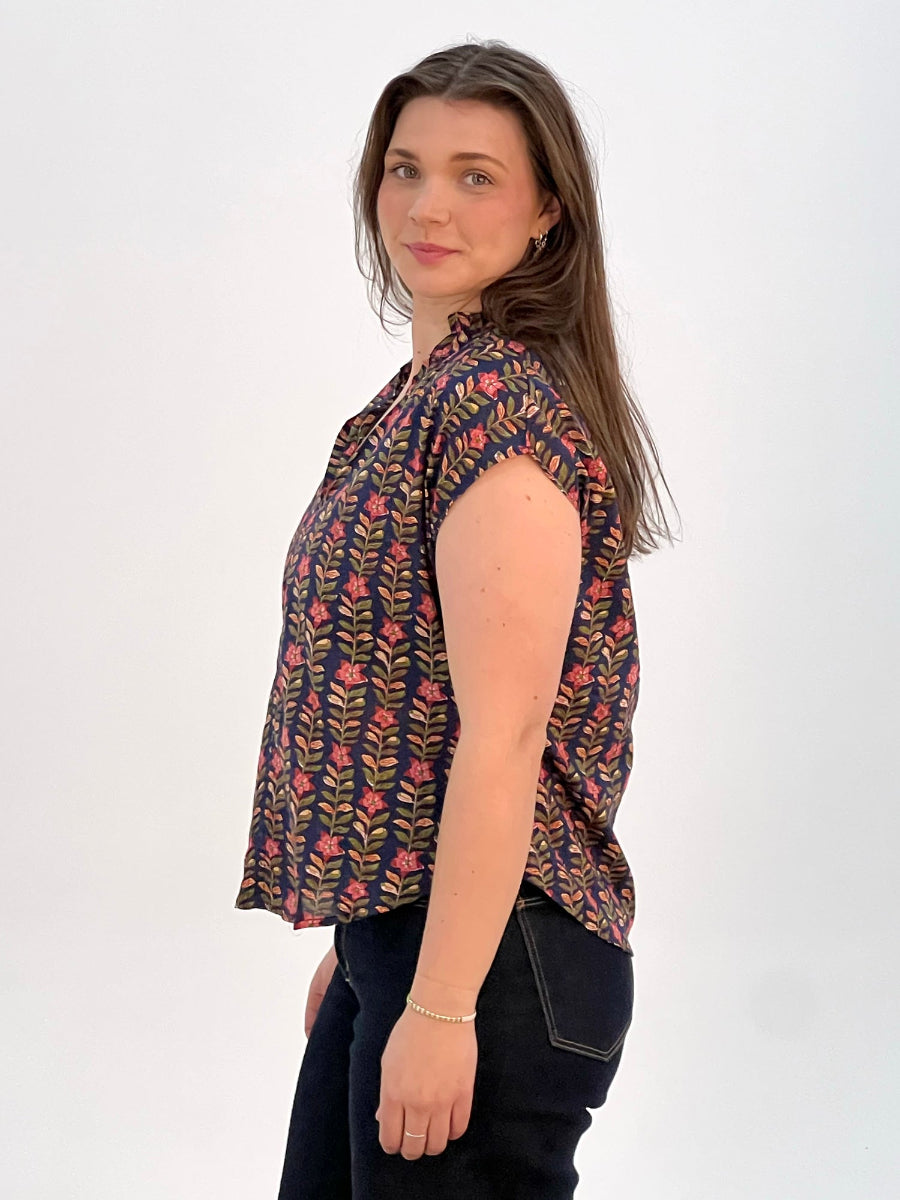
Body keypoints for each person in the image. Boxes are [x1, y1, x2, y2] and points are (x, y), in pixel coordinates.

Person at [234, 37, 676, 1200]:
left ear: (546, 214)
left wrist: (435, 1002)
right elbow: (409, 704)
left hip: (495, 965)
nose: (428, 204)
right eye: (405, 167)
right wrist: (367, 951)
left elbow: (503, 737)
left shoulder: (497, 410)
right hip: (422, 943)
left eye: (476, 174)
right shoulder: (419, 403)